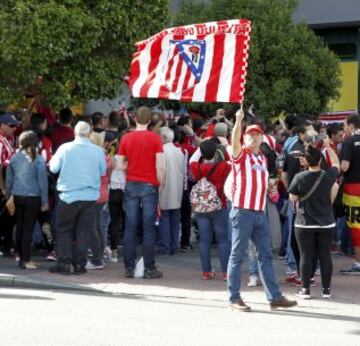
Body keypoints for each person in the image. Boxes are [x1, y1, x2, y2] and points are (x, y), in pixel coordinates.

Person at [227, 108, 297, 312]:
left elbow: (260, 180)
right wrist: (238, 122)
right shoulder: (241, 155)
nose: (254, 138)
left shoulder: (261, 159)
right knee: (237, 255)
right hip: (243, 211)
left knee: (265, 255)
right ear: (245, 138)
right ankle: (233, 297)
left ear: (262, 138)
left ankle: (274, 297)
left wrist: (269, 186)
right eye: (250, 135)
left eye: (257, 135)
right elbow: (234, 144)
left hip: (258, 212)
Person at [48, 121, 106, 275]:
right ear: (88, 133)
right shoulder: (98, 151)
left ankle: (64, 263)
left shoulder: (65, 148)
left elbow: (53, 167)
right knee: (83, 231)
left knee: (64, 229)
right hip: (89, 197)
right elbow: (102, 171)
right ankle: (80, 264)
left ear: (74, 132)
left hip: (69, 195)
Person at [118, 106, 165, 279]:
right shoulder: (155, 138)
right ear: (149, 121)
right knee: (148, 228)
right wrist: (161, 183)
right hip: (150, 184)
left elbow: (120, 164)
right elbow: (160, 165)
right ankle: (149, 268)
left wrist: (130, 167)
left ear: (136, 119)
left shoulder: (126, 138)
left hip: (131, 183)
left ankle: (128, 267)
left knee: (130, 227)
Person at [288, 143, 339, 299]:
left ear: (306, 161)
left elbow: (294, 197)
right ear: (320, 160)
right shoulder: (329, 175)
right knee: (325, 256)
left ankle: (305, 290)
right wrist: (329, 147)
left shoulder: (299, 177)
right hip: (326, 222)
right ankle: (326, 290)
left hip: (304, 222)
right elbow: (336, 163)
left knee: (306, 255)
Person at [5, 131, 49, 269]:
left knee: (19, 227)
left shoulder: (15, 157)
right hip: (33, 197)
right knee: (28, 229)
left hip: (17, 196)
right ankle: (26, 260)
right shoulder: (39, 158)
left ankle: (21, 258)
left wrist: (8, 195)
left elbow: (9, 179)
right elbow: (43, 182)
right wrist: (45, 201)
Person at [190, 139, 231, 280]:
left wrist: (201, 147)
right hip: (219, 206)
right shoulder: (224, 166)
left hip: (201, 208)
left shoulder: (197, 167)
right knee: (223, 240)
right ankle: (226, 272)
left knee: (205, 240)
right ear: (216, 152)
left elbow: (192, 159)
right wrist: (226, 144)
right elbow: (232, 159)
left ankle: (206, 271)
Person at [158, 127, 184, 255]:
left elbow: (160, 172)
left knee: (164, 219)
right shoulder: (179, 151)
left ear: (163, 138)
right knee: (174, 220)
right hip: (177, 190)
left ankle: (165, 247)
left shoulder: (162, 151)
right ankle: (174, 246)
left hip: (165, 189)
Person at [340, 114, 360, 275]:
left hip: (353, 188)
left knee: (356, 226)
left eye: (345, 125)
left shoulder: (348, 142)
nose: (343, 128)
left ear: (352, 126)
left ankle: (358, 263)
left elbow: (345, 167)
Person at [0, 113, 20, 255]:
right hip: (3, 188)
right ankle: (4, 245)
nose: (14, 129)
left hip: (7, 186)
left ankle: (6, 244)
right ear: (2, 125)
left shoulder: (6, 140)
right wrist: (2, 189)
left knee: (9, 218)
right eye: (11, 126)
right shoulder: (0, 142)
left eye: (15, 126)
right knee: (5, 218)